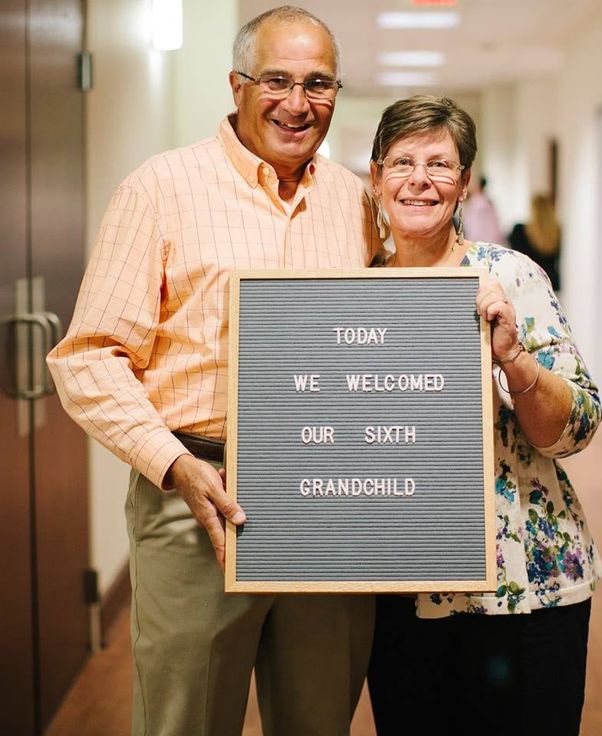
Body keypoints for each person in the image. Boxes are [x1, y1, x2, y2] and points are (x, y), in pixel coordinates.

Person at [47, 7, 380, 735]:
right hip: (194, 497)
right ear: (237, 85)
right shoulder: (160, 189)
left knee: (320, 718)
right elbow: (87, 358)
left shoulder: (356, 202)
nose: (298, 103)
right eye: (278, 81)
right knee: (184, 720)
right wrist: (173, 466)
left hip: (326, 503)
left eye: (319, 83)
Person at [366, 95, 602, 735]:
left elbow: (578, 426)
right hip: (404, 593)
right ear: (375, 176)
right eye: (402, 162)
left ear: (465, 184)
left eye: (440, 165)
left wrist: (515, 361)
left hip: (524, 590)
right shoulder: (350, 291)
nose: (420, 180)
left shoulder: (511, 276)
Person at [508, 192, 562, 290]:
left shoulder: (519, 231)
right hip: (551, 284)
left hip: (527, 283)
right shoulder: (556, 232)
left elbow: (514, 258)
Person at [463, 174, 504, 244]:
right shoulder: (485, 201)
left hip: (481, 243)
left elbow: (474, 228)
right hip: (487, 242)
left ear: (478, 186)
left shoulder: (478, 203)